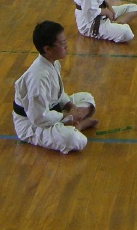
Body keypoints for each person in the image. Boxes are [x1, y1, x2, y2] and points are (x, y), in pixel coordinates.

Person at [13, 20, 98, 154]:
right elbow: (38, 118)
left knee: (87, 99)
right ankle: (77, 127)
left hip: (51, 109)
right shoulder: (38, 78)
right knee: (74, 140)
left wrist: (71, 106)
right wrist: (67, 116)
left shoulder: (52, 63)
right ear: (47, 49)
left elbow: (58, 94)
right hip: (31, 124)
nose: (66, 46)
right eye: (62, 44)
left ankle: (71, 124)